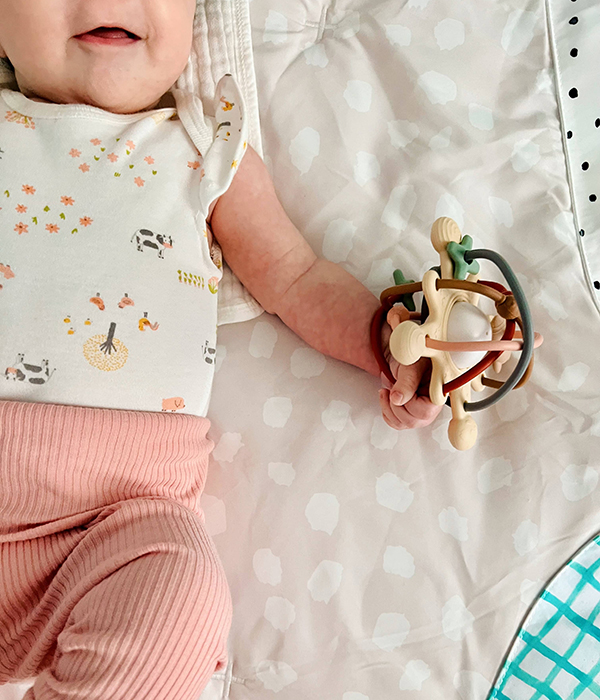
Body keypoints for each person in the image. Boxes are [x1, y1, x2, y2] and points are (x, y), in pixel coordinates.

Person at [0, 1, 442, 698]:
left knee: (181, 600)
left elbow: (295, 279)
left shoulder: (206, 150)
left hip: (120, 522)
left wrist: (384, 340)